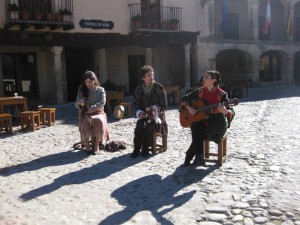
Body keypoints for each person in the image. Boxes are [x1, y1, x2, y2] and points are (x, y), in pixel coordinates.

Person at [180, 70, 234, 167]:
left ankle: (189, 155)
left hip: (217, 122)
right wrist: (189, 107)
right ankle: (199, 157)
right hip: (204, 120)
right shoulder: (201, 91)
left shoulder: (221, 95)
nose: (203, 79)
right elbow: (184, 98)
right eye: (203, 77)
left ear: (214, 80)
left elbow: (231, 112)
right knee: (195, 126)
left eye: (206, 77)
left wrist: (224, 111)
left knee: (199, 135)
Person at [131, 65, 168, 158]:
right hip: (144, 116)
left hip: (157, 117)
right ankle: (136, 148)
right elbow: (136, 105)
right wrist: (139, 113)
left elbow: (164, 105)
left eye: (152, 74)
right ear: (143, 77)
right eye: (148, 75)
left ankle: (146, 148)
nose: (151, 77)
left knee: (149, 125)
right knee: (139, 126)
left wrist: (155, 110)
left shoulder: (159, 87)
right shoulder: (138, 90)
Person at [75, 71, 110, 155]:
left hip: (98, 112)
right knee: (85, 121)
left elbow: (102, 102)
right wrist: (79, 103)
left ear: (94, 80)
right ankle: (87, 146)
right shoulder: (82, 90)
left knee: (99, 120)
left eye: (90, 81)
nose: (88, 84)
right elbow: (76, 104)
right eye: (86, 82)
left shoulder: (100, 90)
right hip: (87, 113)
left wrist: (93, 107)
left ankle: (96, 146)